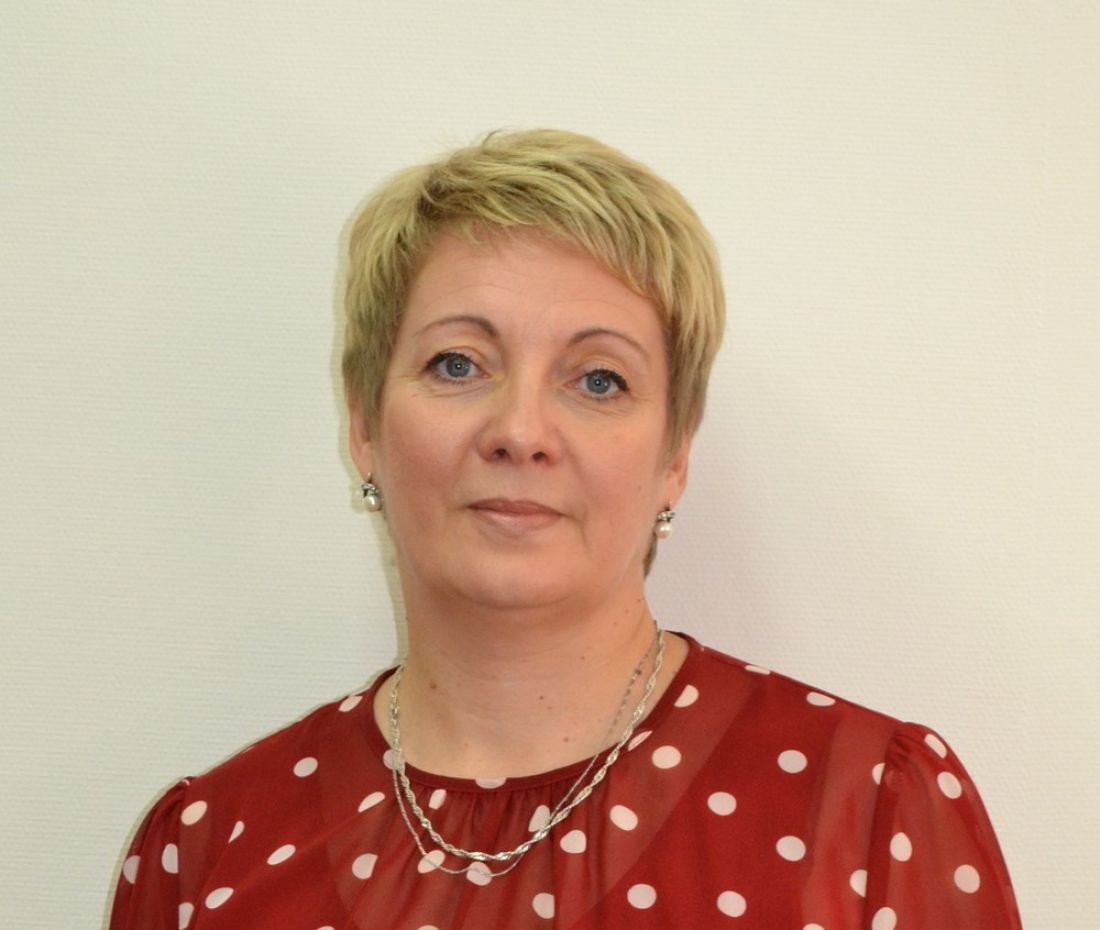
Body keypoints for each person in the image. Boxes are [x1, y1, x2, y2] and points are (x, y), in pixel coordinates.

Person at [108, 129, 1022, 929]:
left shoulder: (870, 811)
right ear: (363, 428)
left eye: (598, 380)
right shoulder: (208, 849)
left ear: (674, 454)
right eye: (458, 363)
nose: (520, 431)